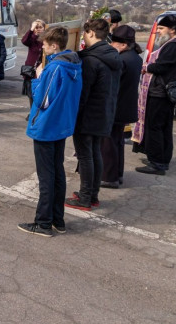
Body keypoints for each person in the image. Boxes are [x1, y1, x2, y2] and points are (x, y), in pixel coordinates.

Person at [17, 27, 82, 237]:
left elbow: (42, 100)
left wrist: (38, 78)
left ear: (54, 45)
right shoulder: (74, 64)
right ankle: (57, 219)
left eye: (44, 44)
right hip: (60, 125)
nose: (42, 47)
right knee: (57, 174)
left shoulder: (55, 67)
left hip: (47, 126)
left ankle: (43, 222)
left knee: (46, 177)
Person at [65, 19, 121, 211]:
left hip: (89, 115)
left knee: (85, 156)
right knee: (94, 153)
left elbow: (83, 93)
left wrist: (72, 115)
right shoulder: (112, 55)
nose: (82, 37)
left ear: (90, 33)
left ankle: (85, 198)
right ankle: (92, 194)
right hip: (104, 113)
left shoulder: (91, 60)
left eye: (84, 34)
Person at [133, 14, 176, 175]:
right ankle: (161, 159)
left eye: (161, 28)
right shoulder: (173, 44)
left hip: (161, 93)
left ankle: (157, 163)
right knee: (163, 126)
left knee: (155, 127)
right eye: (157, 28)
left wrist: (147, 68)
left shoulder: (175, 45)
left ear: (172, 29)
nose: (157, 31)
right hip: (162, 92)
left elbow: (162, 67)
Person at [100, 25, 142, 188]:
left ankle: (109, 177)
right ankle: (117, 174)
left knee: (109, 143)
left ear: (123, 44)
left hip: (116, 107)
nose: (111, 46)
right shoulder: (135, 57)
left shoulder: (122, 60)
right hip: (125, 107)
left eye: (114, 43)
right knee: (117, 142)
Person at [22, 19, 45, 107]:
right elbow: (24, 41)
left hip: (41, 69)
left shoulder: (46, 40)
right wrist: (31, 30)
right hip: (31, 70)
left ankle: (37, 111)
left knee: (39, 92)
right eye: (36, 27)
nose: (38, 29)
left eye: (40, 27)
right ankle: (32, 111)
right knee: (31, 93)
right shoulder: (32, 39)